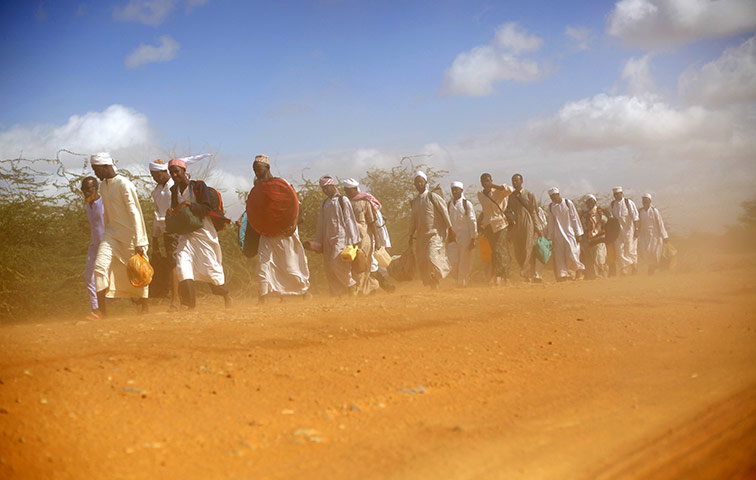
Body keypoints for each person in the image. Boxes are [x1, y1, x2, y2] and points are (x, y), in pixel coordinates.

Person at [167, 156, 232, 309]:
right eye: (171, 173)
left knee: (210, 269)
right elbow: (177, 210)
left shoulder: (198, 186)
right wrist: (171, 212)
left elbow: (206, 208)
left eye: (176, 172)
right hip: (186, 234)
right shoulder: (174, 190)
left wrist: (189, 204)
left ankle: (226, 296)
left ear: (184, 171)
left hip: (203, 232)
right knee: (182, 265)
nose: (174, 175)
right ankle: (188, 304)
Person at [90, 152, 149, 316]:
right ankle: (101, 312)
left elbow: (135, 213)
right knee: (99, 266)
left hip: (130, 236)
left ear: (105, 166)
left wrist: (139, 241)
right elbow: (107, 214)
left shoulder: (124, 184)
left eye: (96, 169)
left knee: (138, 271)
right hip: (111, 235)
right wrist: (107, 234)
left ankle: (144, 306)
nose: (95, 173)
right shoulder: (103, 186)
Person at [250, 154, 310, 303]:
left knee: (290, 265)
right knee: (263, 263)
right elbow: (255, 211)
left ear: (267, 168)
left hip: (285, 231)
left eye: (258, 168)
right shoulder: (258, 189)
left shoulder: (282, 184)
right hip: (267, 232)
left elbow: (296, 205)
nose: (256, 171)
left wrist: (293, 224)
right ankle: (262, 297)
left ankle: (303, 291)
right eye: (254, 169)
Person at [311, 175, 361, 296]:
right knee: (329, 267)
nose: (325, 190)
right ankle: (337, 293)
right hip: (327, 238)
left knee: (336, 264)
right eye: (323, 188)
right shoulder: (325, 203)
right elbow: (321, 224)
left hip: (341, 238)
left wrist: (354, 239)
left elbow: (349, 219)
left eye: (327, 187)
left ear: (333, 186)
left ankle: (352, 284)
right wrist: (319, 242)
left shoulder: (342, 200)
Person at [409, 170, 455, 289]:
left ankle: (438, 278)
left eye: (421, 181)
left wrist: (450, 228)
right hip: (421, 236)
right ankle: (432, 283)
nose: (419, 184)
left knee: (431, 256)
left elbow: (444, 212)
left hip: (435, 234)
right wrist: (410, 235)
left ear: (425, 182)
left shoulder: (433, 197)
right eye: (416, 182)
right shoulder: (415, 201)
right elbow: (413, 220)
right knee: (423, 259)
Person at [342, 178, 387, 294]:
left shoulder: (365, 202)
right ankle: (370, 286)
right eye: (346, 190)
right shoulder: (345, 203)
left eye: (349, 190)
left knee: (363, 264)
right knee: (353, 265)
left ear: (355, 189)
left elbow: (372, 223)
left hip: (365, 238)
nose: (348, 193)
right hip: (350, 239)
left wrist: (377, 241)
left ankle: (363, 290)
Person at [149, 159, 179, 311]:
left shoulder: (174, 186)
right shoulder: (156, 191)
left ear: (165, 172)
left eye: (157, 175)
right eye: (153, 175)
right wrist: (155, 238)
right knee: (170, 263)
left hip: (177, 229)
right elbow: (157, 214)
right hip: (165, 231)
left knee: (174, 263)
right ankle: (174, 297)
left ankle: (175, 300)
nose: (155, 178)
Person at [477, 173, 514, 285]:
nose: (486, 183)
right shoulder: (480, 195)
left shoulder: (498, 192)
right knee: (497, 252)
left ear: (491, 180)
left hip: (501, 224)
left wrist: (495, 186)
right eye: (483, 181)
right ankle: (505, 278)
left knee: (499, 249)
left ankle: (496, 276)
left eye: (488, 180)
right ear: (481, 183)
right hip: (488, 226)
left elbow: (510, 190)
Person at [508, 173, 543, 283]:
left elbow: (534, 211)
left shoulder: (529, 194)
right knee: (518, 250)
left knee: (528, 248)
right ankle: (525, 272)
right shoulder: (511, 196)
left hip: (528, 222)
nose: (515, 183)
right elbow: (509, 210)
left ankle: (528, 272)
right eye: (513, 181)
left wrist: (537, 227)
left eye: (517, 180)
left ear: (521, 181)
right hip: (516, 224)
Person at [546, 187, 585, 281]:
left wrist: (578, 233)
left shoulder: (568, 203)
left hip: (570, 232)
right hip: (558, 235)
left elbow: (575, 218)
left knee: (572, 252)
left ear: (558, 195)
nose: (553, 199)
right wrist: (549, 237)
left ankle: (579, 271)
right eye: (551, 197)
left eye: (554, 196)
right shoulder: (551, 206)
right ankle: (563, 275)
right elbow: (551, 222)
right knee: (559, 255)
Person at [81, 176, 104, 319]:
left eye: (88, 189)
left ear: (96, 188)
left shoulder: (105, 204)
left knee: (114, 276)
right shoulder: (87, 205)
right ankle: (96, 309)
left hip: (108, 245)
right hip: (94, 245)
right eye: (83, 190)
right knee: (89, 277)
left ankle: (138, 300)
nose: (86, 192)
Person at [447, 181, 477, 287]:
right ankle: (460, 279)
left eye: (457, 189)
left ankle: (462, 284)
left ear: (461, 190)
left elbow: (472, 220)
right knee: (452, 261)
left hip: (466, 236)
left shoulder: (466, 204)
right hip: (453, 237)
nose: (454, 191)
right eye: (453, 189)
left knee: (464, 260)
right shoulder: (449, 204)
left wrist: (473, 238)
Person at [610, 186, 639, 275]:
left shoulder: (628, 203)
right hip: (618, 232)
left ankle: (634, 267)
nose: (616, 196)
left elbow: (635, 217)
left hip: (629, 231)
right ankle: (624, 269)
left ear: (621, 194)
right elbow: (612, 218)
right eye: (615, 195)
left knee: (630, 250)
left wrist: (636, 229)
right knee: (619, 251)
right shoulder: (612, 204)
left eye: (618, 194)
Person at [638, 193, 669, 275]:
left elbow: (660, 223)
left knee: (654, 252)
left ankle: (652, 269)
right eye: (643, 200)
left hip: (655, 235)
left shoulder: (654, 211)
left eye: (646, 200)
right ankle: (651, 267)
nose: (645, 202)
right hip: (644, 235)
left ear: (650, 201)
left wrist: (664, 235)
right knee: (645, 252)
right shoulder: (640, 211)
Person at [580, 194, 608, 280]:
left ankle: (602, 275)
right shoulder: (584, 214)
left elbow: (605, 221)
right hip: (588, 238)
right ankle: (593, 276)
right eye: (588, 202)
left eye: (591, 202)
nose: (590, 204)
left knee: (599, 256)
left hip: (599, 237)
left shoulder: (600, 211)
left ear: (594, 202)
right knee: (590, 258)